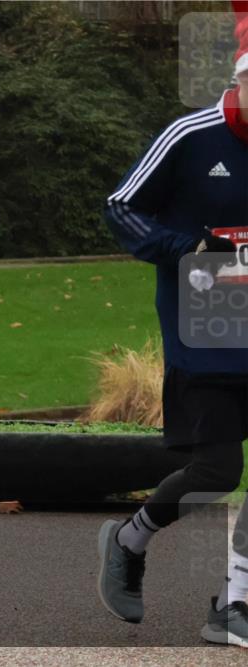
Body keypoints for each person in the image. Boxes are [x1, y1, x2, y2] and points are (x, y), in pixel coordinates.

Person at [97, 6, 248, 646]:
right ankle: (132, 537)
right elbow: (122, 208)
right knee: (216, 473)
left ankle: (234, 602)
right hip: (209, 324)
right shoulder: (192, 134)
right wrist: (192, 249)